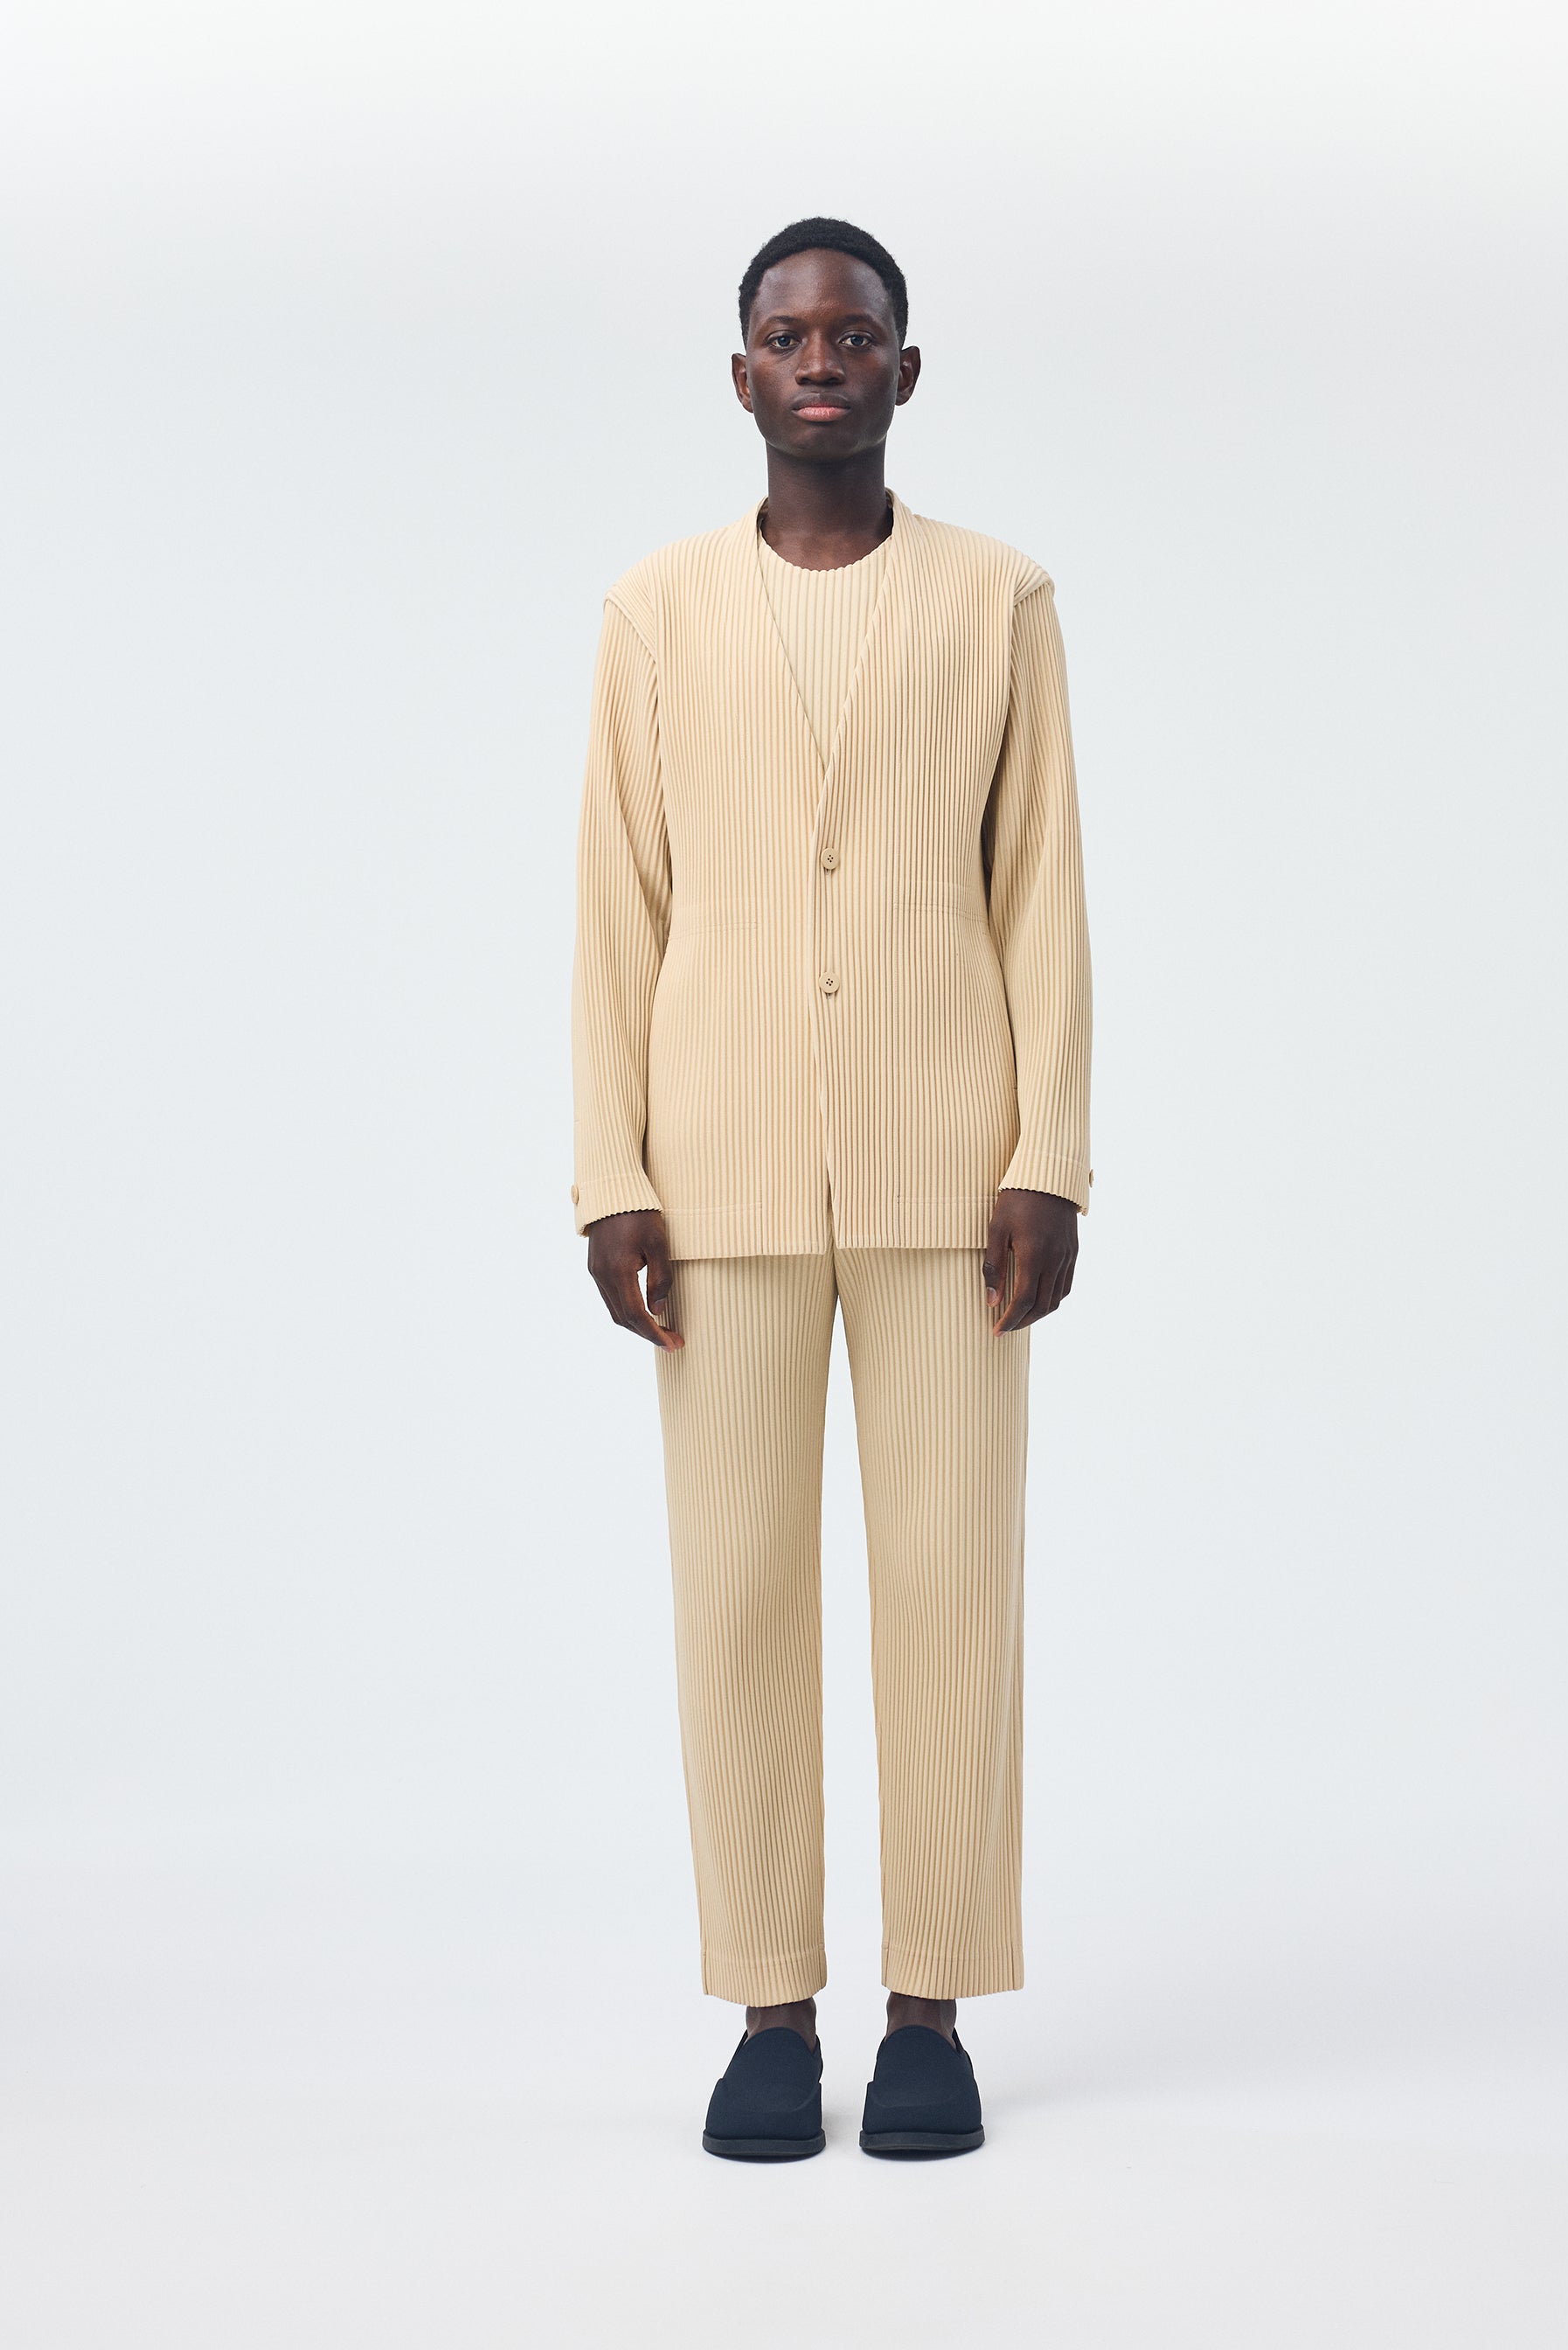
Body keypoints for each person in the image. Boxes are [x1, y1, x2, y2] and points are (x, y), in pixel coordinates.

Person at [571, 217, 1093, 2159]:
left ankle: (934, 2009)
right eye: (786, 334)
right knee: (738, 1608)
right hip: (712, 1192)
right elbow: (615, 904)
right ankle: (770, 2015)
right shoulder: (654, 614)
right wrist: (606, 1171)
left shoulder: (1000, 601)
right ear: (741, 380)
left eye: (852, 333)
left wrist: (1051, 1153)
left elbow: (1042, 890)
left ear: (902, 373)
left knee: (953, 1603)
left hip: (950, 1182)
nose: (818, 358)